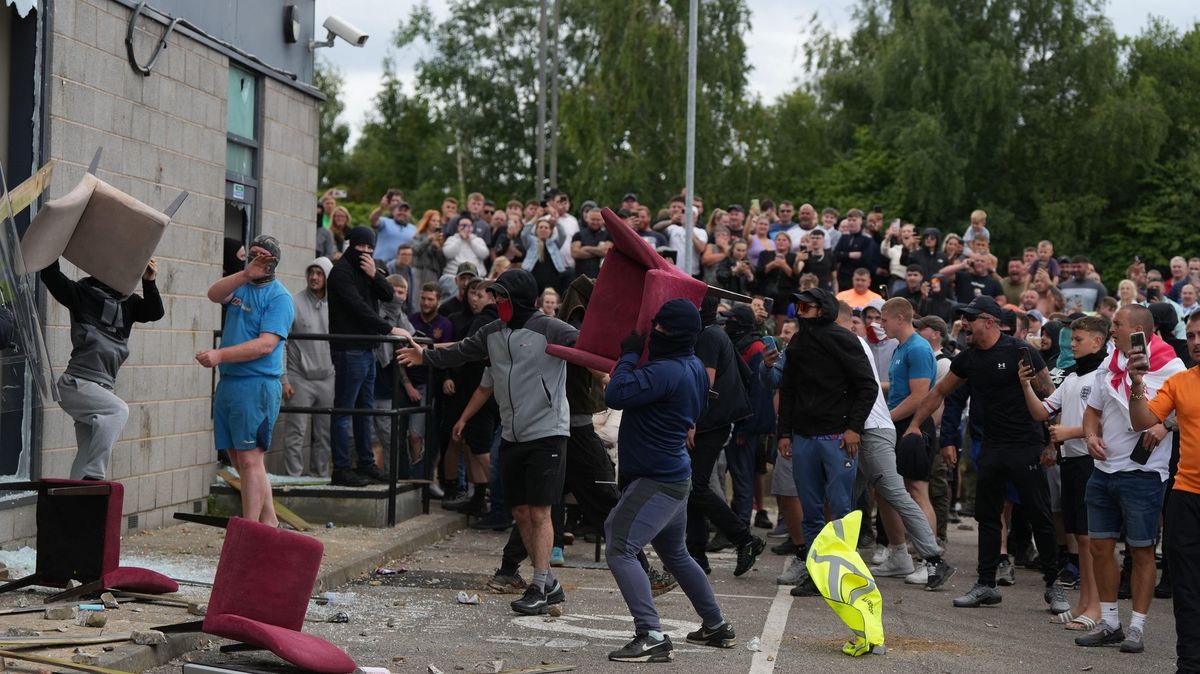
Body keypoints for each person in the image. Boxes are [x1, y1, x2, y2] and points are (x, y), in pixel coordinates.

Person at [398, 269, 578, 616]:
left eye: (502, 296)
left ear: (520, 299)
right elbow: (461, 351)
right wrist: (427, 356)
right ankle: (550, 583)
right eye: (494, 295)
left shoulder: (550, 328)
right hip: (512, 432)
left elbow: (588, 346)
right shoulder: (493, 331)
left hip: (548, 431)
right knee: (520, 512)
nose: (496, 302)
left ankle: (539, 586)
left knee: (540, 511)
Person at [904, 295, 1066, 612]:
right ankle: (986, 585)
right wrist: (914, 425)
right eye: (964, 318)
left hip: (1027, 445)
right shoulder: (968, 358)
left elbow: (1050, 397)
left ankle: (1053, 586)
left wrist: (1051, 443)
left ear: (989, 321)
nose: (965, 323)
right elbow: (939, 392)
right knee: (987, 517)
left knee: (1040, 515)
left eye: (971, 318)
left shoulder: (1021, 351)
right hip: (991, 447)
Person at [603, 299, 736, 663]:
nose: (652, 333)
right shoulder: (691, 365)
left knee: (618, 544)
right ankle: (715, 625)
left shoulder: (667, 370)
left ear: (672, 333)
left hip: (657, 479)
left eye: (659, 327)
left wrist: (628, 357)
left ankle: (651, 635)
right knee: (675, 553)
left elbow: (614, 394)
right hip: (674, 475)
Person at [1073, 304, 1185, 653]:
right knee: (1099, 547)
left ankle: (1136, 627)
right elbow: (1092, 411)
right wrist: (1090, 437)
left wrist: (1164, 424)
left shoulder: (1170, 366)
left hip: (1144, 472)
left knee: (1141, 551)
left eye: (1118, 325)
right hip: (1104, 470)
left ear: (1139, 329)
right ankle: (1110, 622)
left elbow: (1186, 411)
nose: (1112, 330)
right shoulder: (1110, 363)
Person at [777, 287, 879, 597]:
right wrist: (784, 433)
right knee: (810, 510)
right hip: (804, 436)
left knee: (841, 510)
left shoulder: (843, 338)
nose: (799, 308)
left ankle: (843, 574)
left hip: (837, 437)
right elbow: (789, 389)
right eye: (797, 304)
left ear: (822, 308)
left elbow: (867, 386)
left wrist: (853, 428)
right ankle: (815, 572)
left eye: (806, 304)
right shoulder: (798, 342)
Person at [1018, 315, 1110, 631]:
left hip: (1090, 463)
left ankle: (1096, 608)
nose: (1072, 345)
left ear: (1098, 341)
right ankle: (1085, 603)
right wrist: (1026, 385)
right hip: (1069, 462)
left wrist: (1070, 432)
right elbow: (1041, 411)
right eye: (1071, 340)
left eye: (1079, 340)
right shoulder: (1071, 377)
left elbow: (1107, 427)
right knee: (1080, 539)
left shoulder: (1104, 376)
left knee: (1091, 540)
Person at [197, 236, 293, 525]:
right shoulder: (241, 285)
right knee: (241, 461)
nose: (257, 261)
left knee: (251, 460)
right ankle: (270, 523)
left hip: (257, 384)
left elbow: (265, 345)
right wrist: (244, 273)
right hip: (230, 384)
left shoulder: (279, 298)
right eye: (253, 255)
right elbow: (214, 294)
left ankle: (249, 528)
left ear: (274, 263)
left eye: (264, 257)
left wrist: (220, 355)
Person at [41, 257, 163, 479]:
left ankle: (75, 501)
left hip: (102, 388)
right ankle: (94, 477)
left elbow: (155, 312)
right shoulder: (82, 294)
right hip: (76, 384)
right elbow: (50, 276)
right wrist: (56, 240)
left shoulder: (129, 304)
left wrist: (150, 281)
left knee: (87, 452)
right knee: (117, 411)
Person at [1128, 311, 1200, 673]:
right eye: (1191, 336)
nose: (1197, 341)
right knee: (1186, 587)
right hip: (1186, 495)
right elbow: (1141, 421)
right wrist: (1137, 382)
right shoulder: (1181, 382)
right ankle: (1189, 662)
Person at [871, 298, 955, 588]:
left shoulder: (917, 348)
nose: (881, 324)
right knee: (884, 488)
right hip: (899, 423)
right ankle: (898, 555)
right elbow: (900, 386)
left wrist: (887, 419)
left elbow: (920, 396)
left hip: (914, 425)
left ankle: (928, 561)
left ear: (899, 318)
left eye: (884, 319)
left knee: (917, 490)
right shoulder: (901, 347)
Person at [327, 227, 413, 487]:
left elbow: (389, 295)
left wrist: (375, 275)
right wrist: (387, 328)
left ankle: (366, 464)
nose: (364, 253)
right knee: (344, 411)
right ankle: (341, 468)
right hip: (349, 349)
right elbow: (357, 307)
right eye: (360, 248)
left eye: (370, 249)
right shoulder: (341, 273)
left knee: (365, 410)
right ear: (351, 245)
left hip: (368, 349)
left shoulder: (368, 269)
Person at [686, 298, 765, 576]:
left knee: (695, 487)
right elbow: (741, 375)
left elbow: (704, 385)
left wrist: (691, 421)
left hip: (709, 423)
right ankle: (696, 554)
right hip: (714, 421)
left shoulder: (708, 335)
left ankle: (745, 539)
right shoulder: (715, 334)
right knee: (692, 488)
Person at [281, 257, 335, 478]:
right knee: (296, 431)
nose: (314, 277)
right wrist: (284, 379)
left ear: (327, 277)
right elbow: (280, 341)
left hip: (328, 376)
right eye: (311, 272)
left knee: (324, 433)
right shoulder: (293, 302)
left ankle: (320, 477)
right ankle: (293, 478)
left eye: (319, 273)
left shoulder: (337, 305)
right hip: (299, 376)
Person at [571, 207, 610, 281]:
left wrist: (586, 248)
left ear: (603, 220)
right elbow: (575, 253)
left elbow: (605, 252)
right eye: (593, 219)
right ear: (587, 219)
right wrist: (598, 251)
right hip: (581, 278)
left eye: (598, 220)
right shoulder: (578, 235)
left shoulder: (608, 235)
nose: (595, 222)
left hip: (602, 278)